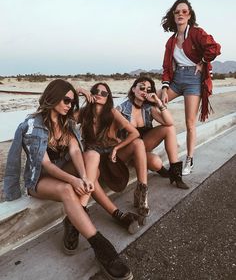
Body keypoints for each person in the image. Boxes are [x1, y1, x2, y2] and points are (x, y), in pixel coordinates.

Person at [3, 79, 133, 280]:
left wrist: (83, 177)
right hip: (39, 180)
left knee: (92, 155)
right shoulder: (32, 124)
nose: (69, 105)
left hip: (63, 170)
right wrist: (74, 181)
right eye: (65, 100)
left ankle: (73, 221)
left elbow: (75, 150)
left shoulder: (67, 122)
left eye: (72, 102)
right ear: (52, 96)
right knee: (66, 189)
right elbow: (45, 164)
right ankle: (102, 247)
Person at [159, 0, 221, 175]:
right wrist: (164, 88)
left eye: (184, 11)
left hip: (194, 79)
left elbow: (214, 48)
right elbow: (165, 67)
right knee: (153, 101)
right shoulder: (171, 41)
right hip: (177, 79)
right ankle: (169, 131)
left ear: (189, 15)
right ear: (173, 15)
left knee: (189, 123)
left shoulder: (196, 33)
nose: (180, 14)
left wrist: (202, 61)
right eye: (177, 11)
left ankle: (189, 159)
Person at [76, 82, 150, 218]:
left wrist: (116, 148)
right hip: (93, 156)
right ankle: (108, 212)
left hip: (111, 154)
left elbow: (134, 133)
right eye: (96, 91)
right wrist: (78, 92)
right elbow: (62, 114)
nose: (99, 95)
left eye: (103, 93)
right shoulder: (84, 113)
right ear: (91, 93)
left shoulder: (112, 112)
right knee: (92, 177)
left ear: (107, 97)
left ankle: (142, 192)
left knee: (138, 143)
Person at [117, 76, 189, 190]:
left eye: (148, 89)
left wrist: (158, 102)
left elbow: (170, 122)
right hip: (127, 149)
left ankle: (176, 175)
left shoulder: (148, 108)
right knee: (154, 161)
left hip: (143, 148)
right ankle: (160, 172)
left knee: (157, 159)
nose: (145, 91)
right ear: (133, 89)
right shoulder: (121, 109)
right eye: (141, 88)